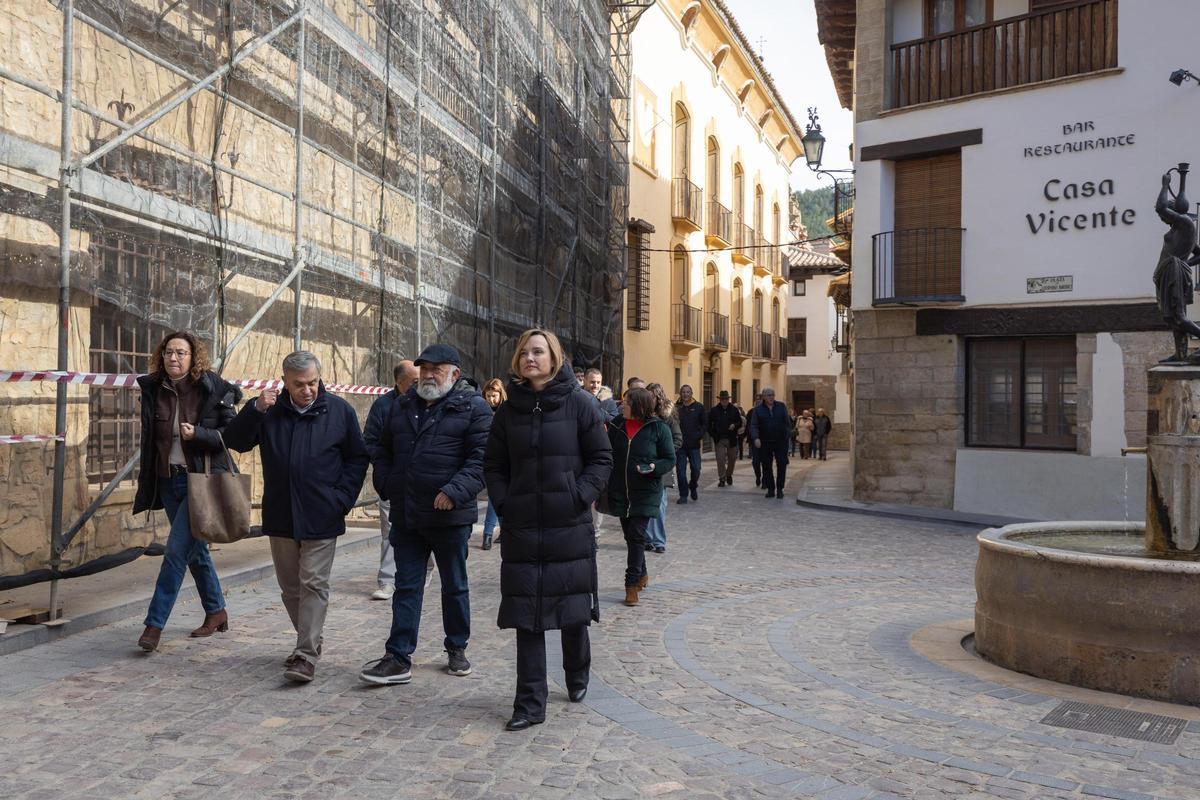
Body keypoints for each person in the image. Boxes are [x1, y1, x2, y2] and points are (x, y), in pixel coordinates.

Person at [484, 329, 613, 731]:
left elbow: (601, 459)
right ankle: (529, 703)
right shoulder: (508, 410)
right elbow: (494, 464)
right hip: (523, 527)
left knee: (572, 612)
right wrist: (505, 503)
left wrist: (578, 495)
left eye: (538, 352)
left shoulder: (580, 404)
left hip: (568, 525)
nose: (530, 358)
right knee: (528, 616)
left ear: (554, 358)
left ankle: (577, 673)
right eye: (524, 352)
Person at [223, 351, 369, 682]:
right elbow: (234, 441)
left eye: (314, 382)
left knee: (313, 583)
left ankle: (305, 654)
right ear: (285, 382)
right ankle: (310, 638)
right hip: (282, 513)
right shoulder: (270, 412)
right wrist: (255, 409)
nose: (308, 390)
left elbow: (357, 458)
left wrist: (342, 499)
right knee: (291, 588)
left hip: (322, 513)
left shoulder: (339, 412)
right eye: (300, 384)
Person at [359, 344, 493, 687]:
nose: (429, 374)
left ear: (454, 374)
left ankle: (457, 646)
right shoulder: (403, 406)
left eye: (438, 368)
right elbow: (382, 448)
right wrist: (388, 483)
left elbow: (482, 460)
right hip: (408, 513)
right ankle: (399, 655)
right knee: (406, 585)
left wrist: (454, 491)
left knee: (454, 585)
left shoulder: (474, 408)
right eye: (425, 367)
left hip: (450, 516)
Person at [134, 331, 241, 652]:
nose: (173, 358)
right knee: (196, 552)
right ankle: (216, 611)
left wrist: (200, 434)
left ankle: (154, 625)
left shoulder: (212, 388)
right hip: (169, 482)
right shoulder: (154, 388)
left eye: (181, 353)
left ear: (193, 358)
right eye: (168, 352)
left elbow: (231, 434)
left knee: (176, 552)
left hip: (202, 483)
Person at [605, 388, 675, 606]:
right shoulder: (617, 424)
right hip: (621, 490)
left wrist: (654, 466)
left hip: (646, 491)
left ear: (639, 406)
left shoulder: (659, 429)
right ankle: (642, 572)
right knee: (630, 536)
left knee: (636, 534)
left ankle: (631, 584)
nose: (622, 406)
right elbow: (605, 451)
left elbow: (669, 458)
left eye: (626, 403)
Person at [363, 360, 419, 600]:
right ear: (399, 382)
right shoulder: (383, 406)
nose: (420, 384)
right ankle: (387, 581)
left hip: (424, 484)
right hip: (394, 483)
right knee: (390, 532)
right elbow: (370, 441)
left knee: (424, 531)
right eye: (414, 381)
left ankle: (423, 569)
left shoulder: (432, 402)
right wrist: (385, 473)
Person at [643, 383, 681, 554]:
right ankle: (647, 539)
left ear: (658, 397)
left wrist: (663, 454)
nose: (649, 400)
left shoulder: (668, 417)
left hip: (662, 467)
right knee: (645, 504)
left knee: (659, 505)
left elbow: (678, 440)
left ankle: (658, 540)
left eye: (652, 396)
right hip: (644, 466)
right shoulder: (642, 415)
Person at [749, 388, 791, 499]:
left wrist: (787, 435)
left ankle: (780, 488)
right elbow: (754, 425)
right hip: (765, 442)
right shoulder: (757, 410)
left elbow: (787, 423)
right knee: (767, 466)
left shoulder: (781, 406)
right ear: (763, 397)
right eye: (768, 395)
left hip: (780, 441)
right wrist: (756, 438)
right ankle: (771, 489)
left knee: (782, 464)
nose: (771, 397)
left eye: (772, 395)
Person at [480, 378, 507, 550]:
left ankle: (490, 533)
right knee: (494, 495)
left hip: (503, 458)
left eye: (494, 396)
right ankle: (490, 533)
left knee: (497, 496)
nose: (491, 399)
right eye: (488, 396)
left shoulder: (506, 411)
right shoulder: (481, 411)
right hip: (485, 457)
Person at [672, 385, 706, 504]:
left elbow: (704, 425)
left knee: (696, 469)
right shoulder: (676, 408)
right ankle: (683, 495)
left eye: (688, 392)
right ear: (680, 394)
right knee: (680, 472)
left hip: (694, 445)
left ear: (692, 393)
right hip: (680, 446)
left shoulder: (699, 407)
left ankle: (693, 485)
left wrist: (698, 435)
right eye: (683, 392)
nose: (685, 394)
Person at [707, 390, 742, 487]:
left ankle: (729, 474)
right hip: (719, 439)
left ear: (728, 399)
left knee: (732, 458)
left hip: (731, 438)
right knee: (720, 459)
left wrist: (734, 425)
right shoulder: (714, 410)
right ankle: (722, 478)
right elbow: (708, 424)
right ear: (720, 400)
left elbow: (739, 422)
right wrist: (713, 434)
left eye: (726, 399)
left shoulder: (734, 410)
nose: (724, 400)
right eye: (722, 399)